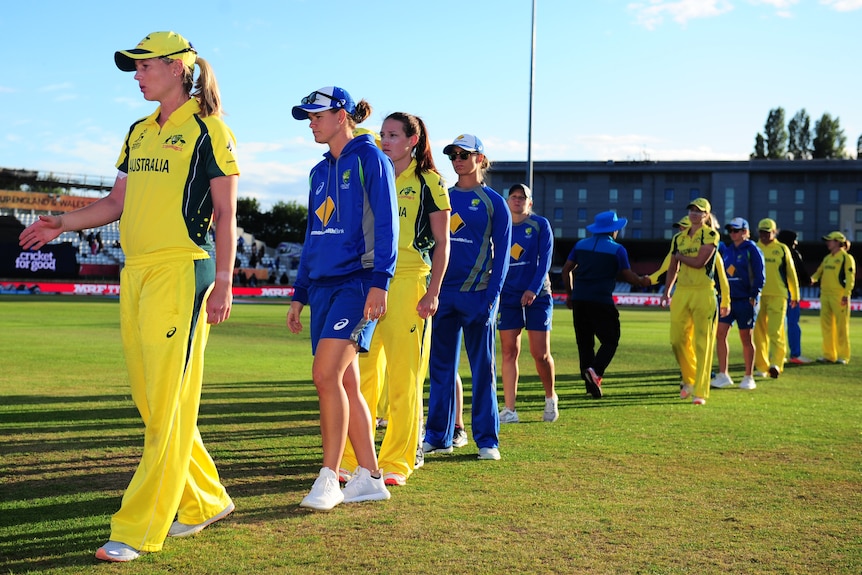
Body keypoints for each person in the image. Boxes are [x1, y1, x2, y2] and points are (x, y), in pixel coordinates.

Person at [20, 31, 239, 562]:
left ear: (176, 68)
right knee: (153, 401)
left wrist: (226, 283)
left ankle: (138, 528)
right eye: (136, 69)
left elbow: (228, 215)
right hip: (136, 272)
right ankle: (205, 498)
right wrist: (62, 223)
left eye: (144, 67)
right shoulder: (138, 132)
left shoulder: (210, 130)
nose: (137, 76)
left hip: (182, 272)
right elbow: (117, 202)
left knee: (165, 404)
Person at [287, 86, 398, 510]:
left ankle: (330, 476)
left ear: (342, 115)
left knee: (324, 376)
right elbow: (312, 235)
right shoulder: (318, 172)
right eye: (308, 117)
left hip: (358, 283)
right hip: (321, 288)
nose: (311, 124)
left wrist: (380, 281)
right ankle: (369, 477)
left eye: (317, 116)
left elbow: (388, 223)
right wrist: (299, 293)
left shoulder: (372, 158)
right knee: (346, 381)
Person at [339, 112, 451, 487]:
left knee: (404, 378)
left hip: (409, 285)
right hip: (371, 283)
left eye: (393, 135)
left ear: (412, 140)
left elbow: (443, 245)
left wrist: (433, 291)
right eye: (382, 134)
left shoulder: (430, 181)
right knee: (362, 376)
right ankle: (354, 457)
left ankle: (397, 461)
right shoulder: (375, 175)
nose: (385, 140)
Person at [424, 134, 511, 461]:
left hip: (477, 297)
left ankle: (487, 441)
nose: (457, 159)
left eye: (464, 154)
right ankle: (438, 435)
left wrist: (491, 299)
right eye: (453, 155)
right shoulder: (442, 197)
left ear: (481, 159)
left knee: (483, 370)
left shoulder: (494, 202)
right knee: (440, 370)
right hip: (442, 297)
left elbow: (502, 256)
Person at [561, 211, 651, 398]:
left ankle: (589, 387)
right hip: (601, 301)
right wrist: (642, 281)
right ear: (614, 230)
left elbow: (566, 270)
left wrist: (570, 294)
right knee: (611, 339)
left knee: (585, 344)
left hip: (579, 300)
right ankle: (596, 371)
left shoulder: (580, 245)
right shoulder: (618, 250)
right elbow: (627, 275)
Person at [497, 184, 557, 423]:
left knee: (539, 354)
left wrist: (532, 288)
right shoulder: (501, 225)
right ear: (508, 200)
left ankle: (550, 398)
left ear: (529, 202)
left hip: (538, 295)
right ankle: (510, 409)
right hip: (509, 296)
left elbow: (545, 261)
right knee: (509, 352)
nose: (517, 200)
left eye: (522, 197)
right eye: (514, 196)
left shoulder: (540, 224)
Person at [660, 198, 730, 406]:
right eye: (691, 210)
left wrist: (680, 257)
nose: (694, 214)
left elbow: (700, 262)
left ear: (707, 215)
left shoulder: (711, 235)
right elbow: (672, 267)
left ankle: (700, 391)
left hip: (703, 292)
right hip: (682, 291)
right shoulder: (678, 238)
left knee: (703, 343)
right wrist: (667, 291)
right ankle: (689, 378)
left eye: (699, 211)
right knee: (676, 340)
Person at [711, 218, 765, 391]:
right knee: (720, 334)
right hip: (728, 300)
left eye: (736, 230)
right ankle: (723, 374)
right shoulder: (726, 250)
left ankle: (748, 376)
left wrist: (754, 295)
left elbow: (760, 275)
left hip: (745, 300)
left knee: (746, 338)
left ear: (745, 231)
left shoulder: (752, 250)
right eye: (731, 231)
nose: (732, 234)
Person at [753, 218, 800, 379]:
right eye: (762, 232)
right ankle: (761, 366)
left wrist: (795, 294)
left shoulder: (782, 249)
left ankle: (776, 365)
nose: (764, 235)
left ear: (774, 232)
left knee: (775, 330)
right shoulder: (754, 247)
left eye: (768, 232)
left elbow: (791, 273)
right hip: (757, 296)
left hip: (778, 295)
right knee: (758, 333)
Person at [810, 231, 856, 364]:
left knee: (841, 326)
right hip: (825, 295)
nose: (827, 242)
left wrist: (846, 294)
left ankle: (843, 356)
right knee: (827, 326)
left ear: (838, 242)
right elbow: (818, 273)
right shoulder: (827, 258)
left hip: (839, 295)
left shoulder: (846, 258)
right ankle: (829, 355)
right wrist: (812, 279)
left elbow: (850, 278)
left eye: (829, 240)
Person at [776, 229, 813, 364]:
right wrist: (809, 281)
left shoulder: (774, 250)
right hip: (790, 292)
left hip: (774, 292)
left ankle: (776, 356)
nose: (796, 243)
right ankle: (795, 354)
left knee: (774, 326)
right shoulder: (792, 253)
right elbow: (801, 273)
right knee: (792, 323)